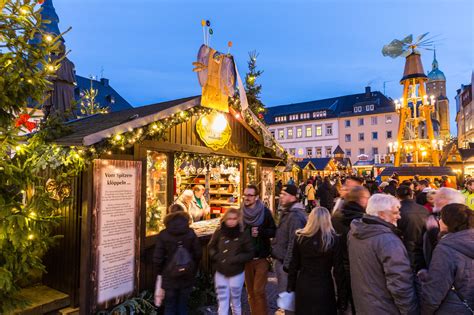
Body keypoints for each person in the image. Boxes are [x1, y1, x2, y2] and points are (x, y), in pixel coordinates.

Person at [348, 194, 418, 315]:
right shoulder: (388, 241)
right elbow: (400, 284)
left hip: (365, 304)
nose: (399, 216)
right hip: (386, 307)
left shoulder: (355, 232)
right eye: (395, 213)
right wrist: (411, 311)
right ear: (381, 214)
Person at [287, 207, 346, 315]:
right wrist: (342, 297)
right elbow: (338, 270)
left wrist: (290, 287)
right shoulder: (333, 240)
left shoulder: (300, 238)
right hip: (324, 286)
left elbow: (293, 265)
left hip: (304, 284)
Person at [418, 203, 474, 314]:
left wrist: (425, 311)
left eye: (441, 218)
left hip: (453, 309)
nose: (438, 221)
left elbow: (436, 289)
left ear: (449, 223)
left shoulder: (445, 248)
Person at [153, 209, 201, 315]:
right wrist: (192, 269)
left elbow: (157, 258)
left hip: (169, 276)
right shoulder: (190, 233)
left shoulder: (163, 234)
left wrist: (160, 273)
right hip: (187, 275)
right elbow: (198, 254)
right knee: (183, 305)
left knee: (170, 306)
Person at [331, 185, 370, 313]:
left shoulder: (337, 216)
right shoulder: (362, 219)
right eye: (367, 198)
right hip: (356, 267)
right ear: (361, 199)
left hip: (339, 267)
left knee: (344, 302)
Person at [208, 208, 254, 315]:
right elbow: (211, 247)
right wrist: (217, 256)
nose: (231, 221)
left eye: (234, 219)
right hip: (221, 272)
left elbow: (250, 252)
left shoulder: (243, 234)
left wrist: (236, 258)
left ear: (238, 220)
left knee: (236, 301)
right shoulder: (219, 232)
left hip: (236, 272)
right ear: (225, 219)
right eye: (229, 218)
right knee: (223, 301)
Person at [241, 185, 276, 315]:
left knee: (258, 291)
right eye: (245, 194)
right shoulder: (240, 212)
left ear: (256, 197)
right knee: (250, 293)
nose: (247, 197)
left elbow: (274, 231)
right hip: (247, 258)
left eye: (250, 195)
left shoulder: (265, 212)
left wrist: (261, 231)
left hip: (261, 257)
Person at [272, 185, 307, 315]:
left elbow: (294, 242)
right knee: (286, 299)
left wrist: (287, 266)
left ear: (293, 197)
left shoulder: (295, 216)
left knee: (289, 301)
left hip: (286, 266)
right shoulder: (287, 212)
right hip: (283, 263)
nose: (281, 196)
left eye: (285, 194)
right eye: (281, 193)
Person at [424, 187, 466, 265]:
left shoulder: (460, 220)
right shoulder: (433, 216)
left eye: (442, 197)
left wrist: (433, 231)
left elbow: (454, 245)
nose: (437, 199)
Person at [396, 185, 430, 272]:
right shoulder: (424, 210)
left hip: (403, 248)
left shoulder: (396, 211)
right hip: (421, 249)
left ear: (397, 196)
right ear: (411, 195)